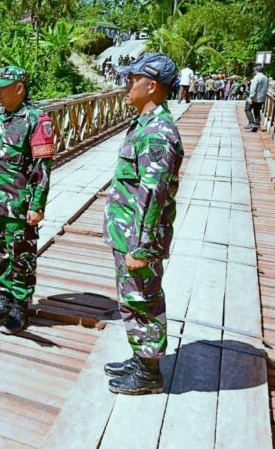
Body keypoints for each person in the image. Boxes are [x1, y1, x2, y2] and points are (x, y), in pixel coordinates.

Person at [103, 53, 184, 395]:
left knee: (144, 300)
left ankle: (149, 373)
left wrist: (143, 247)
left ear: (151, 86)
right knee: (132, 299)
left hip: (138, 239)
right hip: (128, 233)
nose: (126, 84)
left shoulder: (157, 133)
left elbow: (153, 196)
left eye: (131, 79)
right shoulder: (144, 124)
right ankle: (141, 358)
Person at [0, 66, 54, 335]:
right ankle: (5, 297)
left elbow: (42, 166)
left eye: (2, 87)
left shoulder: (37, 119)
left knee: (21, 256)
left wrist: (37, 205)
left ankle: (20, 305)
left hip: (19, 204)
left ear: (19, 88)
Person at [247, 65, 270, 132]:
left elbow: (253, 88)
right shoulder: (266, 78)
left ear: (256, 71)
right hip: (262, 98)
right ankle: (256, 125)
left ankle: (251, 123)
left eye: (254, 71)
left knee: (247, 109)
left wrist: (251, 97)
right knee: (256, 111)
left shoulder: (256, 78)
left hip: (255, 98)